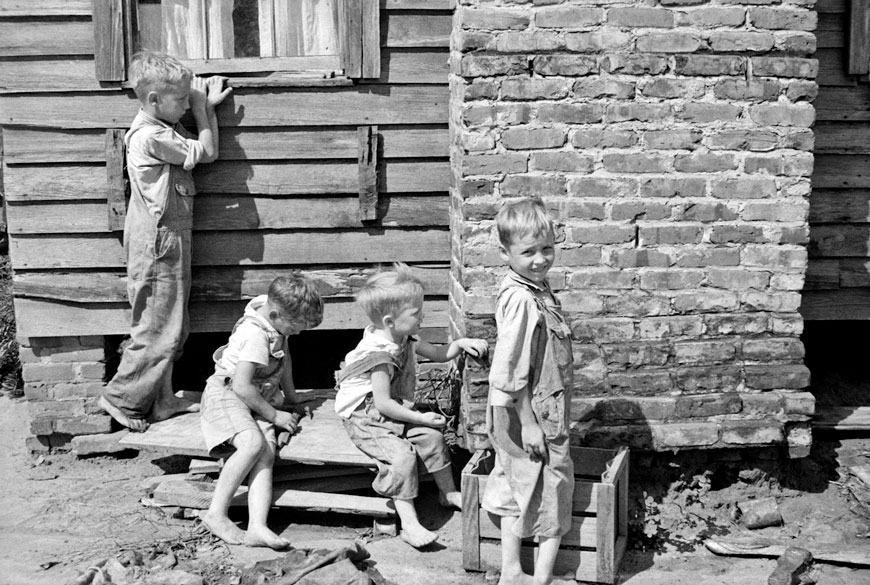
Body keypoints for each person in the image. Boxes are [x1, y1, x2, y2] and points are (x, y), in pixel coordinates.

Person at [99, 51, 232, 432]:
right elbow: (207, 152)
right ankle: (121, 397)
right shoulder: (152, 135)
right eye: (181, 99)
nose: (186, 103)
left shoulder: (163, 127)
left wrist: (196, 106)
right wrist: (205, 109)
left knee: (173, 322)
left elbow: (192, 145)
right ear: (154, 100)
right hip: (159, 240)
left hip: (168, 237)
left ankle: (162, 401)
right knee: (156, 326)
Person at [335, 263, 488, 548]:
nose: (423, 316)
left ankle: (448, 493)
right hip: (366, 417)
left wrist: (462, 343)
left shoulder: (405, 338)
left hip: (394, 408)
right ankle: (409, 523)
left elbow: (441, 353)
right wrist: (422, 417)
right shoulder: (378, 356)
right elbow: (383, 405)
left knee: (432, 437)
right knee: (402, 457)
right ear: (391, 322)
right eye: (416, 313)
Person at [482, 197, 575, 585]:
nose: (540, 259)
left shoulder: (531, 286)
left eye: (547, 249)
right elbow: (512, 369)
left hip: (523, 408)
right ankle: (541, 579)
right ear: (505, 253)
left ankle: (511, 570)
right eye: (528, 252)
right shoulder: (522, 299)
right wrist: (530, 422)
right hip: (532, 411)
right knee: (553, 487)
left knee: (512, 483)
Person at [199, 275, 324, 549]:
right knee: (252, 444)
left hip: (257, 397)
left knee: (265, 452)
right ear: (276, 314)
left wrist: (291, 398)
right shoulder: (255, 334)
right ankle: (216, 513)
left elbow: (284, 361)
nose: (297, 333)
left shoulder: (276, 324)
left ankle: (257, 526)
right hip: (228, 394)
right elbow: (242, 386)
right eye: (295, 327)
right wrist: (275, 415)